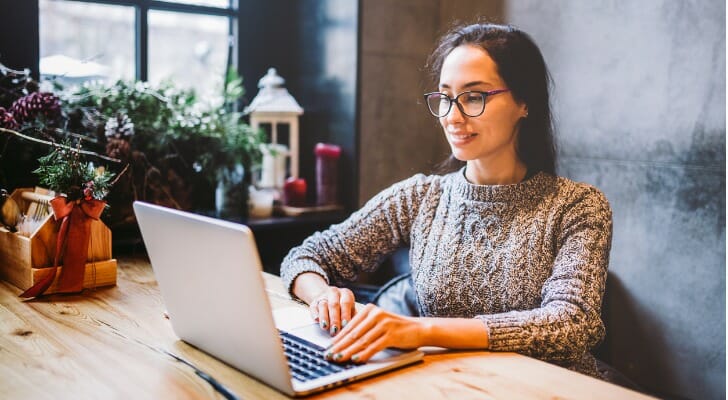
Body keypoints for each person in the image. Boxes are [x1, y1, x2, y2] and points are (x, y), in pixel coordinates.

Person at [280, 22, 612, 379]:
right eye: (445, 97)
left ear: (524, 102)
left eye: (473, 97)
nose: (452, 117)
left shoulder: (578, 206)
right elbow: (306, 255)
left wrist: (418, 330)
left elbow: (572, 323)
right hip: (450, 384)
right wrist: (322, 296)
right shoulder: (420, 197)